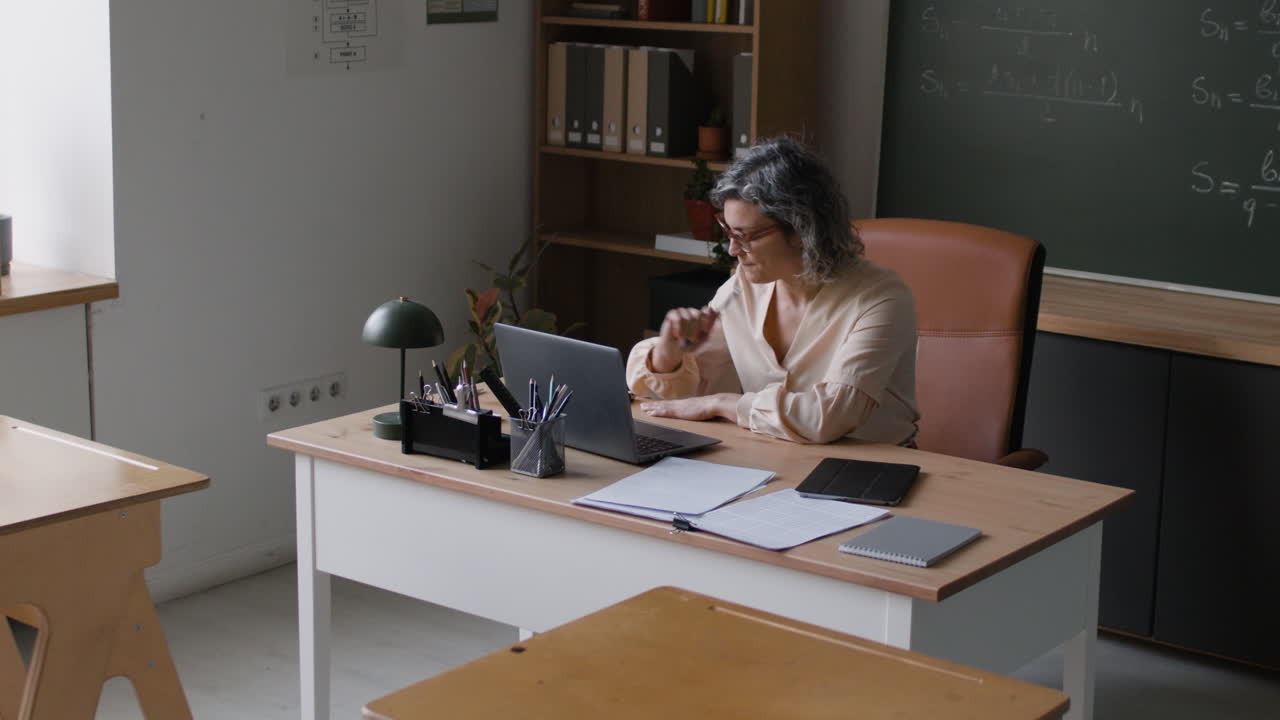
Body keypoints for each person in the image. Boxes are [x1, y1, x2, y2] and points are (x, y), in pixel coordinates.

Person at [625, 137, 920, 445]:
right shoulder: (743, 287)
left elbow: (830, 417)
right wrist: (668, 354)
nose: (733, 250)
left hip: (875, 467)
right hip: (780, 456)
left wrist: (723, 404)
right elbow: (684, 396)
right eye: (728, 231)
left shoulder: (882, 298)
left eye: (746, 236)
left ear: (803, 229)